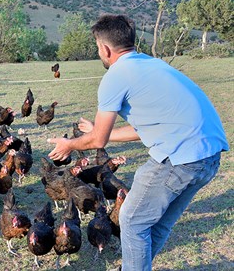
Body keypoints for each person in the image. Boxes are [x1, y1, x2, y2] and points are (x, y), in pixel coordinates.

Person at [47, 14, 228, 271]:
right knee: (157, 223)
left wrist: (70, 144)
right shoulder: (152, 65)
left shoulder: (116, 76)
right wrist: (100, 132)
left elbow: (97, 140)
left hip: (180, 159)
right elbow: (143, 129)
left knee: (131, 220)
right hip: (208, 157)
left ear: (105, 48)